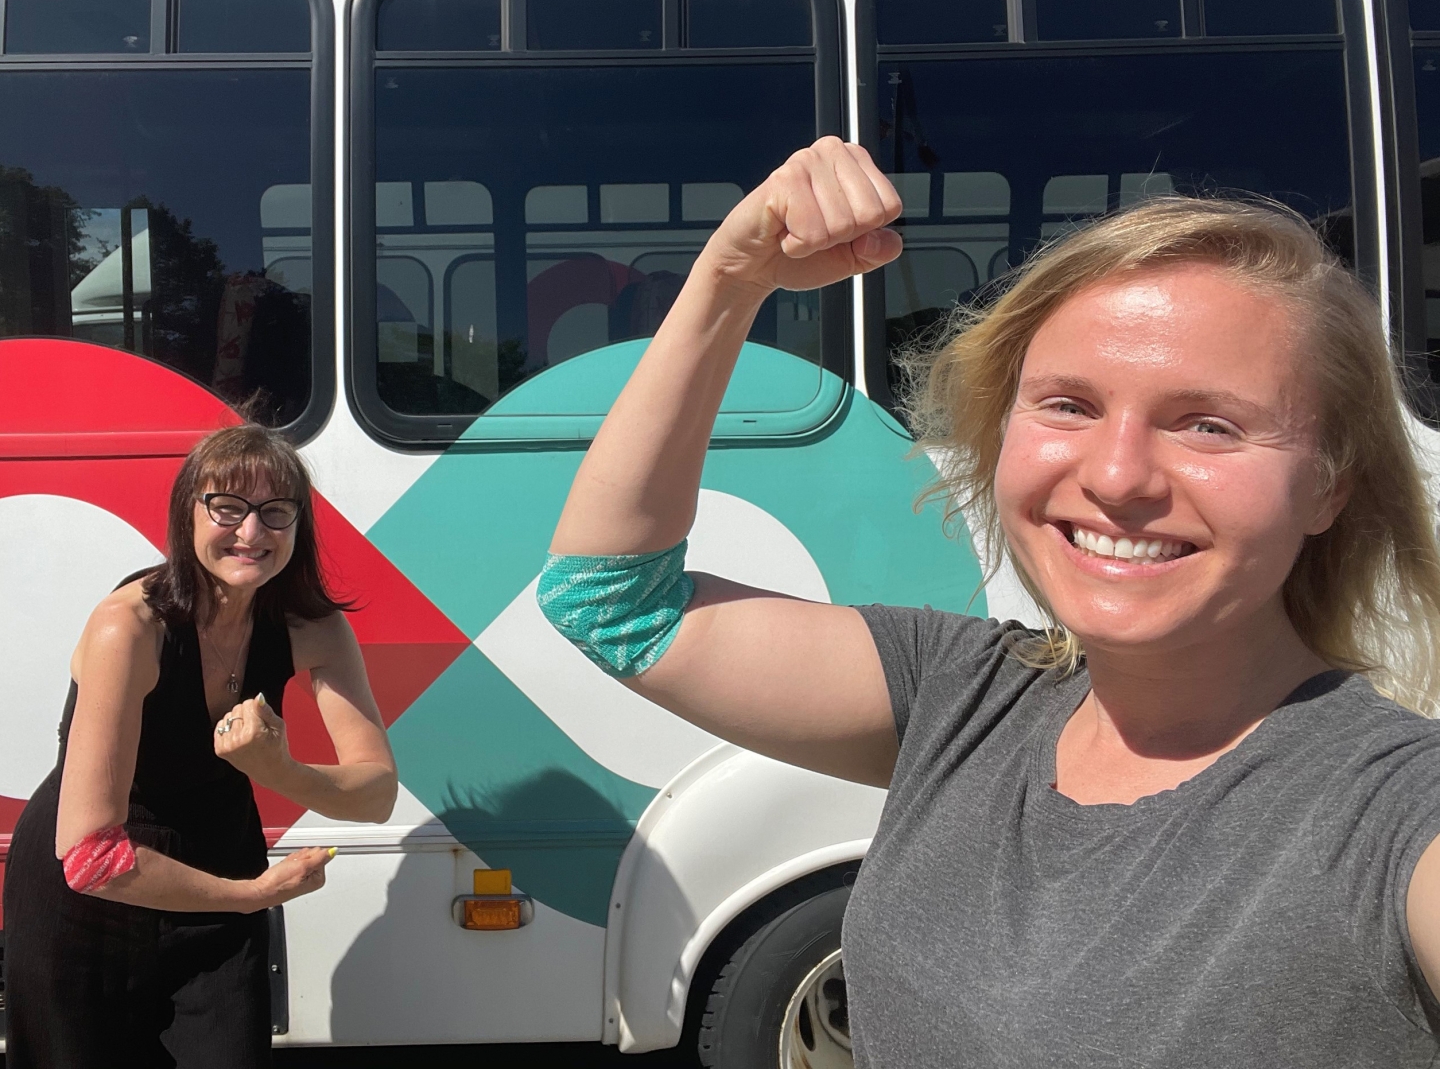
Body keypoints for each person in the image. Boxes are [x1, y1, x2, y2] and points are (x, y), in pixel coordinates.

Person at [537, 137, 1440, 1066]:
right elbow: (611, 604)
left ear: (1330, 486)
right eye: (1068, 406)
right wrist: (728, 282)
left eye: (1208, 424)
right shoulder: (965, 696)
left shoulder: (1392, 804)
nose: (1118, 475)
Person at [3, 424, 398, 1068]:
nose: (251, 532)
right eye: (227, 507)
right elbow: (90, 857)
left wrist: (280, 770)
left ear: (299, 527)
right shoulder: (128, 626)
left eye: (275, 512)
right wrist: (254, 895)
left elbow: (376, 793)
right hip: (90, 898)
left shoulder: (311, 626)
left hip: (217, 858)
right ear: (186, 513)